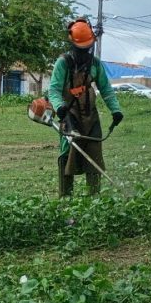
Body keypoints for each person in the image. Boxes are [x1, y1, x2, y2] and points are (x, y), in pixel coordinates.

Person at [48, 17, 123, 197]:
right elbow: (54, 90)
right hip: (69, 116)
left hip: (90, 117)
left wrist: (116, 110)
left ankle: (94, 197)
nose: (84, 52)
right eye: (80, 48)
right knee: (67, 154)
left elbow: (106, 89)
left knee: (95, 154)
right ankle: (66, 197)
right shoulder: (63, 63)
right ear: (72, 44)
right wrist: (59, 107)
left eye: (87, 48)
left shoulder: (95, 64)